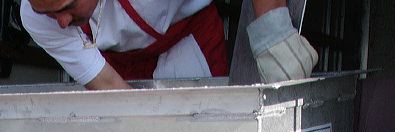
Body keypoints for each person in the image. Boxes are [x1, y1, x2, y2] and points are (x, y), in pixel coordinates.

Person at [21, 0, 318, 89]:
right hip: (117, 64)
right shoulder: (35, 17)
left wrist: (272, 29)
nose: (60, 22)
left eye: (68, 6)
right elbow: (111, 86)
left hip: (189, 36)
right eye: (48, 12)